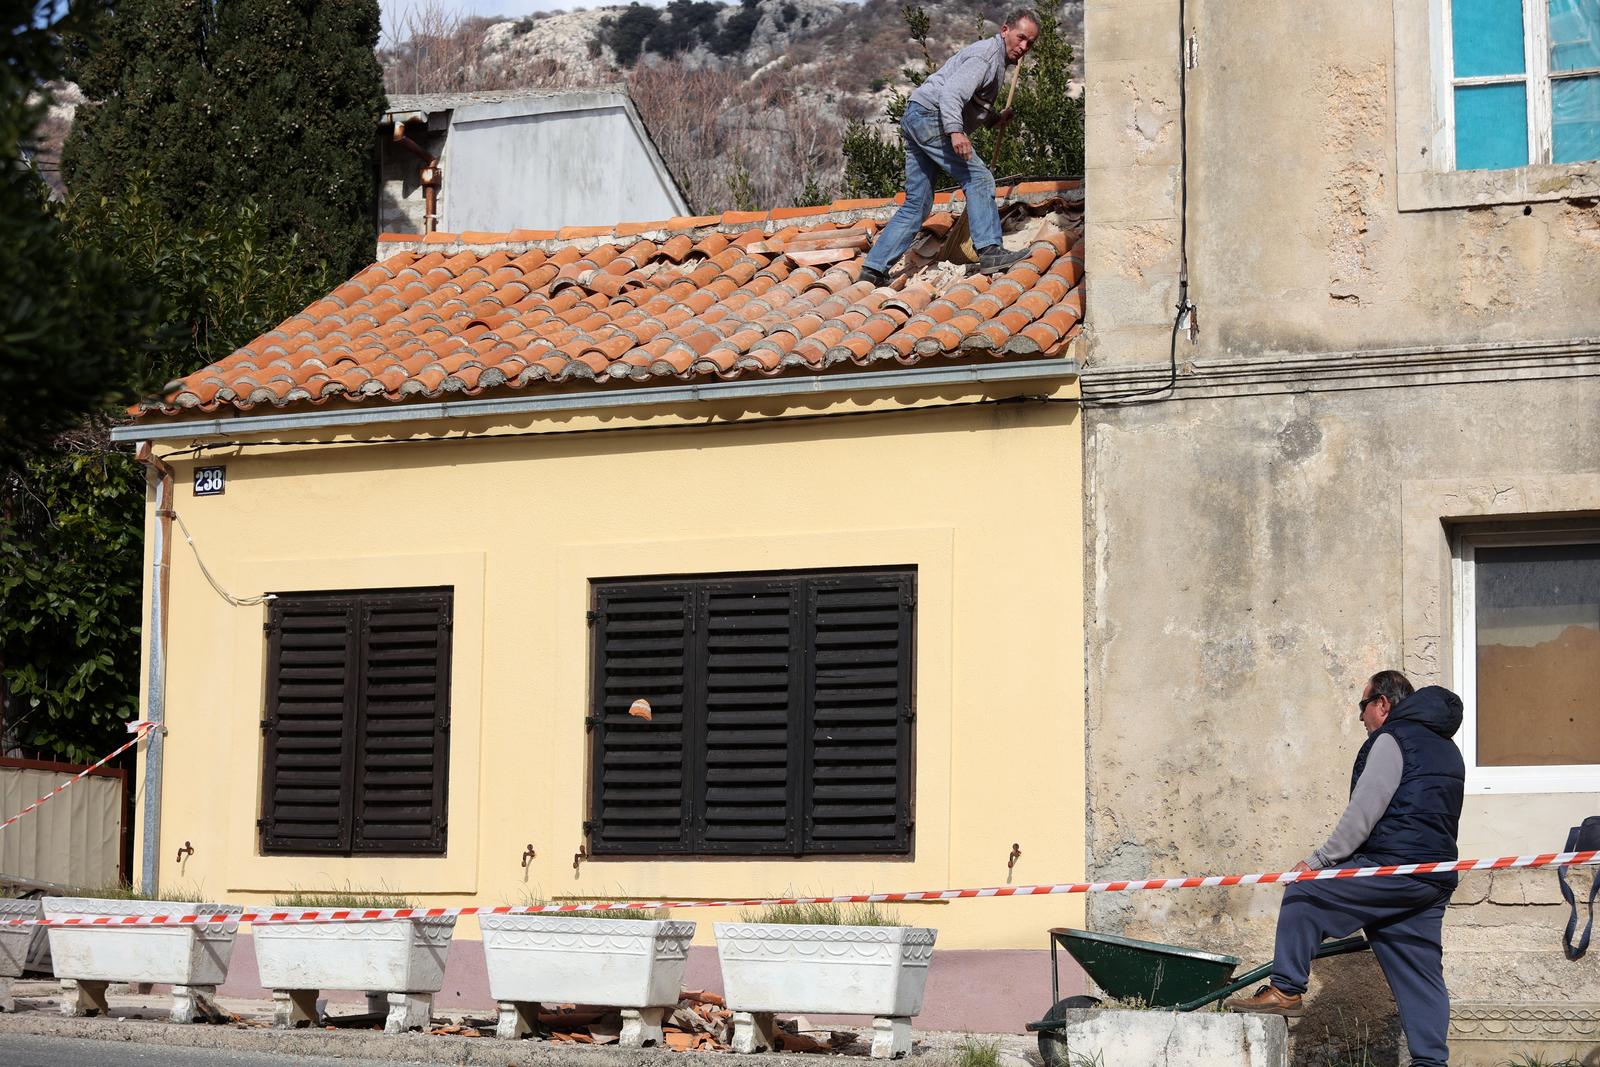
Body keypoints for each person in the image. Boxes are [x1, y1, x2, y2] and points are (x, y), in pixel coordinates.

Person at [1226, 670, 1465, 1067]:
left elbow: (1363, 814)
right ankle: (1431, 1062)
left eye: (1363, 705)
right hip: (1433, 877)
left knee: (1306, 891)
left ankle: (1285, 990)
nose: (1360, 717)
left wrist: (1318, 862)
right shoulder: (1447, 748)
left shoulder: (1393, 739)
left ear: (1383, 704)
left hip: (1393, 867)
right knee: (1418, 970)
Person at [858, 10, 1041, 287]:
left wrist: (994, 119)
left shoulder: (995, 61)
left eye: (1030, 43)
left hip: (917, 116)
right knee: (979, 177)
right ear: (1005, 30)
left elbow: (973, 103)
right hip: (932, 117)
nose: (1024, 47)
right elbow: (952, 94)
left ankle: (873, 268)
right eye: (1021, 38)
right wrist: (956, 132)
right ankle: (990, 251)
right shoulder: (985, 57)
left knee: (917, 203)